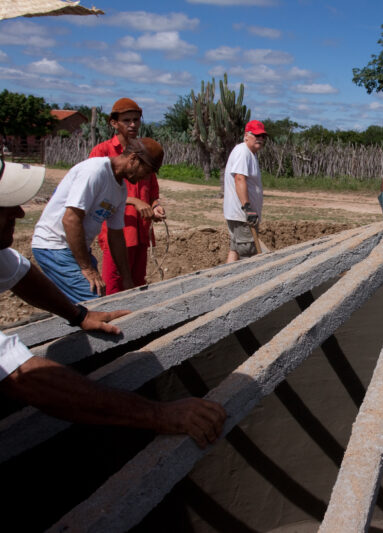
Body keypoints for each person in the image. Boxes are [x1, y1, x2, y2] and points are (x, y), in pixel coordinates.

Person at [0, 156, 226, 448]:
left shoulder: (119, 189)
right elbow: (24, 377)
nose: (20, 213)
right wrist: (158, 415)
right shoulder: (96, 172)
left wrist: (78, 314)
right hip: (59, 249)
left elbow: (20, 274)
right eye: (5, 206)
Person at [31, 138, 164, 303]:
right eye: (148, 171)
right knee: (94, 302)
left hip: (75, 248)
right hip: (53, 245)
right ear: (133, 159)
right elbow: (70, 220)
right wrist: (87, 268)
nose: (146, 177)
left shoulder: (120, 190)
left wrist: (127, 279)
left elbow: (116, 236)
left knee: (92, 299)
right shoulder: (95, 171)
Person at [90, 98, 165, 295]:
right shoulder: (103, 152)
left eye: (136, 120)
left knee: (137, 285)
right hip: (118, 233)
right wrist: (134, 202)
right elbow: (97, 193)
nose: (133, 125)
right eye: (127, 120)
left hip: (141, 232)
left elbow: (153, 194)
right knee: (114, 286)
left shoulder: (145, 152)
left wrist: (155, 206)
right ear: (114, 123)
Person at [223, 120, 268, 263]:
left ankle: (224, 280)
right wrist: (247, 208)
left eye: (262, 136)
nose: (260, 139)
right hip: (242, 215)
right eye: (257, 135)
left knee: (235, 249)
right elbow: (239, 178)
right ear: (246, 136)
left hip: (241, 215)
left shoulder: (250, 153)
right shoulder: (243, 152)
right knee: (247, 254)